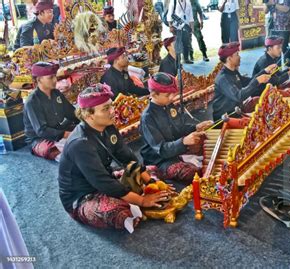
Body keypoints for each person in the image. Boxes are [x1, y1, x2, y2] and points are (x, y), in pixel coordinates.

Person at [58, 84, 170, 231]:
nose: (113, 111)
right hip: (82, 196)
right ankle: (130, 203)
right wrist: (142, 200)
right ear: (88, 114)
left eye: (111, 106)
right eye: (106, 109)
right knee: (120, 212)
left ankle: (133, 197)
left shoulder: (108, 126)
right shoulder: (79, 144)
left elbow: (127, 157)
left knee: (152, 170)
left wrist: (150, 183)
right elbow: (104, 183)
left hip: (106, 178)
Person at [140, 72, 213, 183]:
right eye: (167, 95)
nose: (172, 97)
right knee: (192, 174)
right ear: (154, 94)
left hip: (177, 150)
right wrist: (183, 142)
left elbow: (180, 128)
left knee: (207, 139)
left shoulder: (169, 105)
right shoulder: (147, 118)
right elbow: (162, 150)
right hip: (161, 160)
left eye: (172, 93)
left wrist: (196, 127)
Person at [23, 62, 79, 161]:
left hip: (59, 129)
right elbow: (42, 131)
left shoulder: (56, 93)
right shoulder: (32, 101)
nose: (55, 80)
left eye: (55, 76)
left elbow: (72, 113)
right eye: (50, 78)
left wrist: (86, 120)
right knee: (52, 150)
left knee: (87, 131)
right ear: (39, 79)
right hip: (40, 139)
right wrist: (66, 134)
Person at [211, 42, 274, 121]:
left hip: (236, 113)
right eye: (237, 54)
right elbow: (239, 96)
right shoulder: (223, 78)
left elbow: (249, 81)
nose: (240, 57)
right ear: (229, 58)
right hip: (224, 119)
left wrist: (265, 71)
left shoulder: (233, 72)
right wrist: (257, 81)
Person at [267, 0, 290, 66]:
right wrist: (267, 3)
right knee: (273, 48)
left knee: (284, 47)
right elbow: (265, 11)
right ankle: (276, 68)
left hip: (283, 26)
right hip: (273, 26)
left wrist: (274, 4)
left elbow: (286, 8)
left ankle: (287, 69)